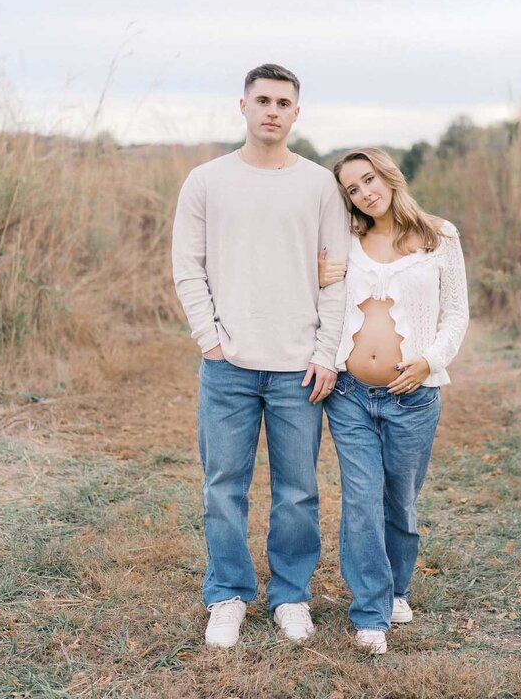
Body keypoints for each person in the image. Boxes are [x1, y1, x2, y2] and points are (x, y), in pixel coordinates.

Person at [171, 64, 350, 648]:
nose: (272, 110)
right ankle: (226, 594)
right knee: (223, 484)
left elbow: (335, 277)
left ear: (297, 113)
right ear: (243, 106)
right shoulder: (206, 180)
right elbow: (188, 268)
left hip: (300, 364)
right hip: (228, 364)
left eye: (283, 102)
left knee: (297, 488)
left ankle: (291, 595)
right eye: (262, 100)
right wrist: (210, 339)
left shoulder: (320, 185)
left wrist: (326, 352)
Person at [317, 147, 469, 654]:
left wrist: (429, 361)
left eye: (368, 179)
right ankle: (370, 615)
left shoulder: (439, 237)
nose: (365, 193)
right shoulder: (347, 240)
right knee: (360, 501)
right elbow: (324, 298)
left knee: (399, 503)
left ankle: (397, 588)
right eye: (353, 189)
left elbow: (456, 314)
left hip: (414, 397)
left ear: (389, 174)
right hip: (350, 395)